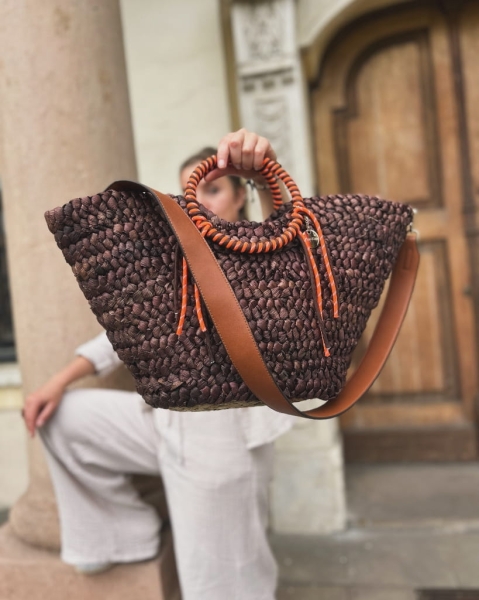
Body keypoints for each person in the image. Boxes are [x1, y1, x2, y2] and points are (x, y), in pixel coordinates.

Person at [22, 129, 295, 600]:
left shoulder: (263, 256)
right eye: (190, 194)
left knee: (220, 577)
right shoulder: (174, 264)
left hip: (224, 438)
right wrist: (57, 382)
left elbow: (290, 249)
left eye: (213, 188)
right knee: (62, 419)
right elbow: (120, 336)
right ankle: (124, 533)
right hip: (163, 423)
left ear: (240, 197)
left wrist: (265, 175)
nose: (201, 202)